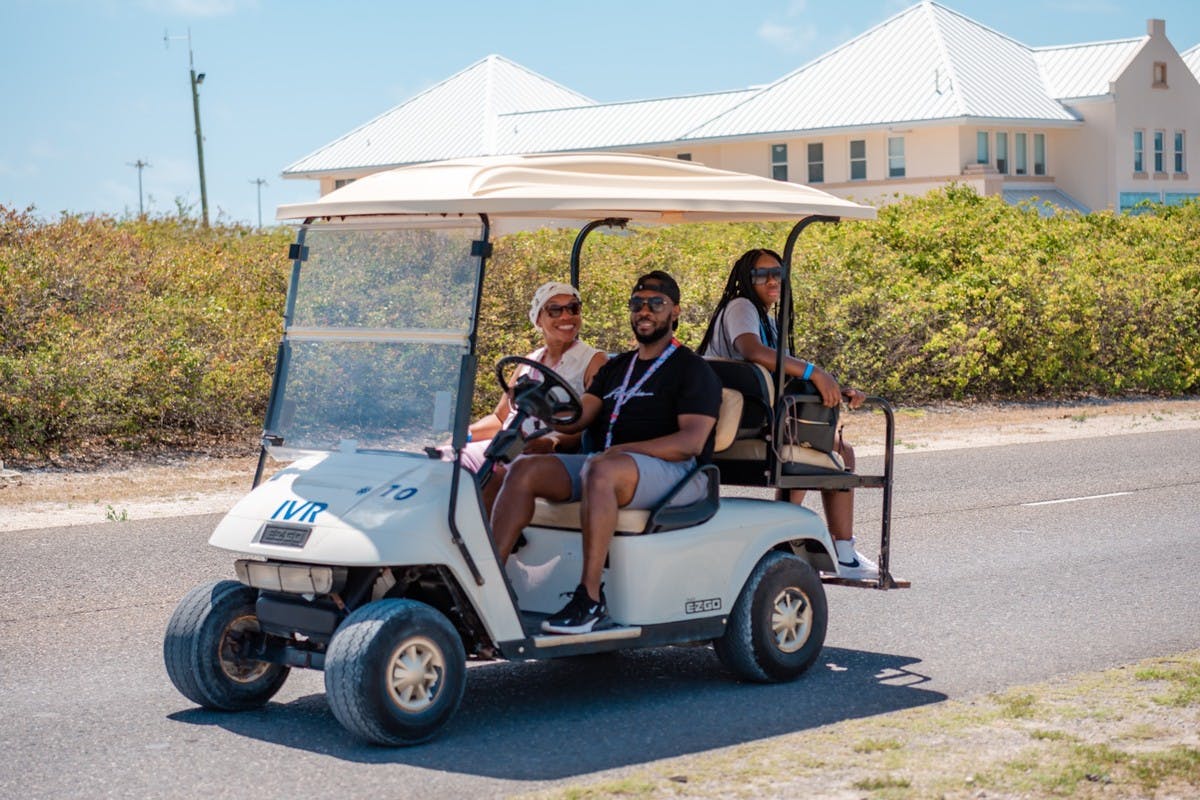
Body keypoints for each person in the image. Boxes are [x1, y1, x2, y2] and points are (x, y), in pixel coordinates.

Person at [490, 271, 723, 634]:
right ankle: (488, 588)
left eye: (656, 304)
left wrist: (620, 452)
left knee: (601, 467)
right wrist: (543, 407)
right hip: (611, 468)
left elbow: (689, 442)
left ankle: (589, 598)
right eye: (637, 304)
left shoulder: (692, 369)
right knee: (526, 469)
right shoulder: (617, 367)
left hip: (677, 473)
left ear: (675, 311)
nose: (645, 311)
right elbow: (580, 418)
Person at [698, 248, 877, 580]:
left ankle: (796, 539)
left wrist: (836, 385)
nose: (771, 280)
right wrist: (816, 372)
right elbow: (752, 350)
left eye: (777, 273)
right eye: (761, 274)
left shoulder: (765, 316)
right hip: (744, 420)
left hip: (757, 416)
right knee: (837, 451)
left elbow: (786, 372)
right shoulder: (742, 307)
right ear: (746, 279)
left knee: (822, 445)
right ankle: (844, 553)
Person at [451, 281, 606, 506]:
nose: (566, 316)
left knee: (495, 473)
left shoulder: (593, 361)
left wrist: (552, 443)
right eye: (555, 310)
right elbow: (500, 419)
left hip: (544, 451)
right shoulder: (529, 361)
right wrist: (461, 436)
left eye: (573, 308)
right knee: (446, 460)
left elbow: (587, 427)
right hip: (507, 444)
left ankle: (481, 537)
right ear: (538, 319)